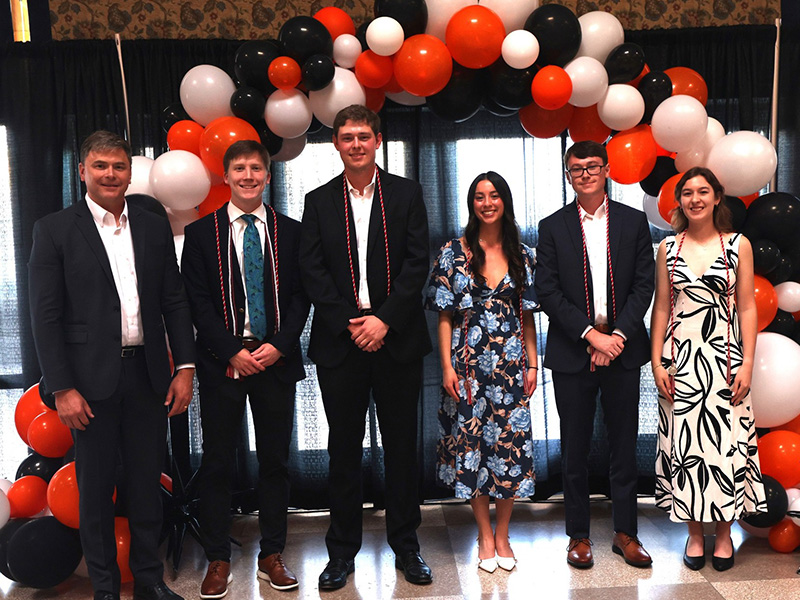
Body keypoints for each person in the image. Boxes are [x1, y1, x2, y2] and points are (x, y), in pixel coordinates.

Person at [28, 131, 195, 600]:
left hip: (147, 375)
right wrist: (61, 388)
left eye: (118, 166)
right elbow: (46, 316)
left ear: (129, 172)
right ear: (82, 171)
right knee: (96, 493)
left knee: (146, 485)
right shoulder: (55, 229)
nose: (110, 174)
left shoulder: (152, 223)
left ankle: (148, 581)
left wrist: (185, 367)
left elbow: (174, 300)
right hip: (86, 383)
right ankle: (104, 589)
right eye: (100, 166)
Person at [299, 104, 433, 590]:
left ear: (378, 141)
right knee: (342, 453)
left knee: (401, 451)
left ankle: (406, 546)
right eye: (347, 137)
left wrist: (383, 321)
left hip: (396, 341)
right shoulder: (316, 201)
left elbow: (418, 264)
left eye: (364, 136)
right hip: (341, 344)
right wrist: (354, 324)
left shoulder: (407, 194)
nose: (356, 144)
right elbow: (311, 272)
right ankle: (341, 553)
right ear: (335, 144)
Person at [181, 141, 309, 597]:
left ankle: (272, 554)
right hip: (223, 365)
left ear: (268, 176)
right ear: (226, 176)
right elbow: (196, 302)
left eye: (257, 168)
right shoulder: (201, 235)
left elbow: (300, 298)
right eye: (240, 168)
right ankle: (218, 558)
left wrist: (278, 345)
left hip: (275, 361)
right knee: (217, 463)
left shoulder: (290, 232)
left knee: (275, 462)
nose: (249, 176)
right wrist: (230, 351)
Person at [534, 140, 655, 569]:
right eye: (576, 168)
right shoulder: (551, 226)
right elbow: (546, 290)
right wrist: (591, 336)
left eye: (592, 166)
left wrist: (616, 335)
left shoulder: (634, 221)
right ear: (568, 176)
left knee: (623, 446)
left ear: (606, 170)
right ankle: (578, 536)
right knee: (575, 449)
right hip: (573, 351)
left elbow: (645, 285)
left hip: (622, 348)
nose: (585, 174)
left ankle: (626, 533)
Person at [650, 166, 767, 572]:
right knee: (687, 450)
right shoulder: (668, 248)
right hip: (680, 361)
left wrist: (748, 364)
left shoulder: (738, 245)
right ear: (679, 200)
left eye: (703, 191)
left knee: (725, 448)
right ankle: (694, 534)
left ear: (717, 197)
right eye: (687, 192)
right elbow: (662, 307)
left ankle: (723, 535)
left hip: (726, 360)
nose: (695, 199)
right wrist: (655, 360)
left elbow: (749, 306)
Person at [425, 172, 538, 573]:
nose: (487, 202)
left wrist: (532, 363)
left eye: (494, 196)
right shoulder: (453, 253)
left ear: (504, 201)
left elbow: (527, 317)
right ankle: (484, 534)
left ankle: (503, 534)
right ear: (471, 203)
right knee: (473, 451)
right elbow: (444, 316)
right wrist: (445, 367)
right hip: (468, 367)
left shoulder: (523, 254)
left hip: (511, 368)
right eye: (479, 196)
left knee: (509, 452)